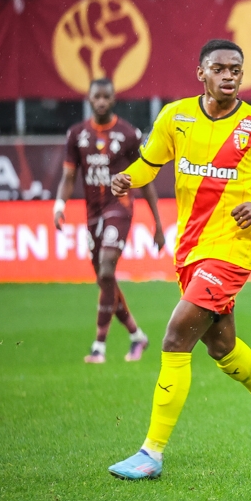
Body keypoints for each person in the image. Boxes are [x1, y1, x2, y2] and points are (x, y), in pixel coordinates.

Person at [105, 40, 251, 480]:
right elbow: (148, 165)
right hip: (190, 249)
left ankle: (151, 453)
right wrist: (126, 179)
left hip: (231, 250)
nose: (228, 75)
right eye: (219, 68)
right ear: (202, 73)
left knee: (176, 336)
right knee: (220, 346)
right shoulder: (175, 117)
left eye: (236, 69)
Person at [54, 78, 164, 364]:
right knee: (105, 280)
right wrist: (59, 205)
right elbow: (68, 177)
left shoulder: (128, 134)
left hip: (120, 207)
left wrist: (158, 223)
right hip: (92, 213)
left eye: (106, 97)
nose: (101, 101)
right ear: (89, 99)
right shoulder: (76, 134)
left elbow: (145, 179)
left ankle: (99, 347)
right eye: (97, 97)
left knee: (105, 270)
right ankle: (137, 335)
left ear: (113, 99)